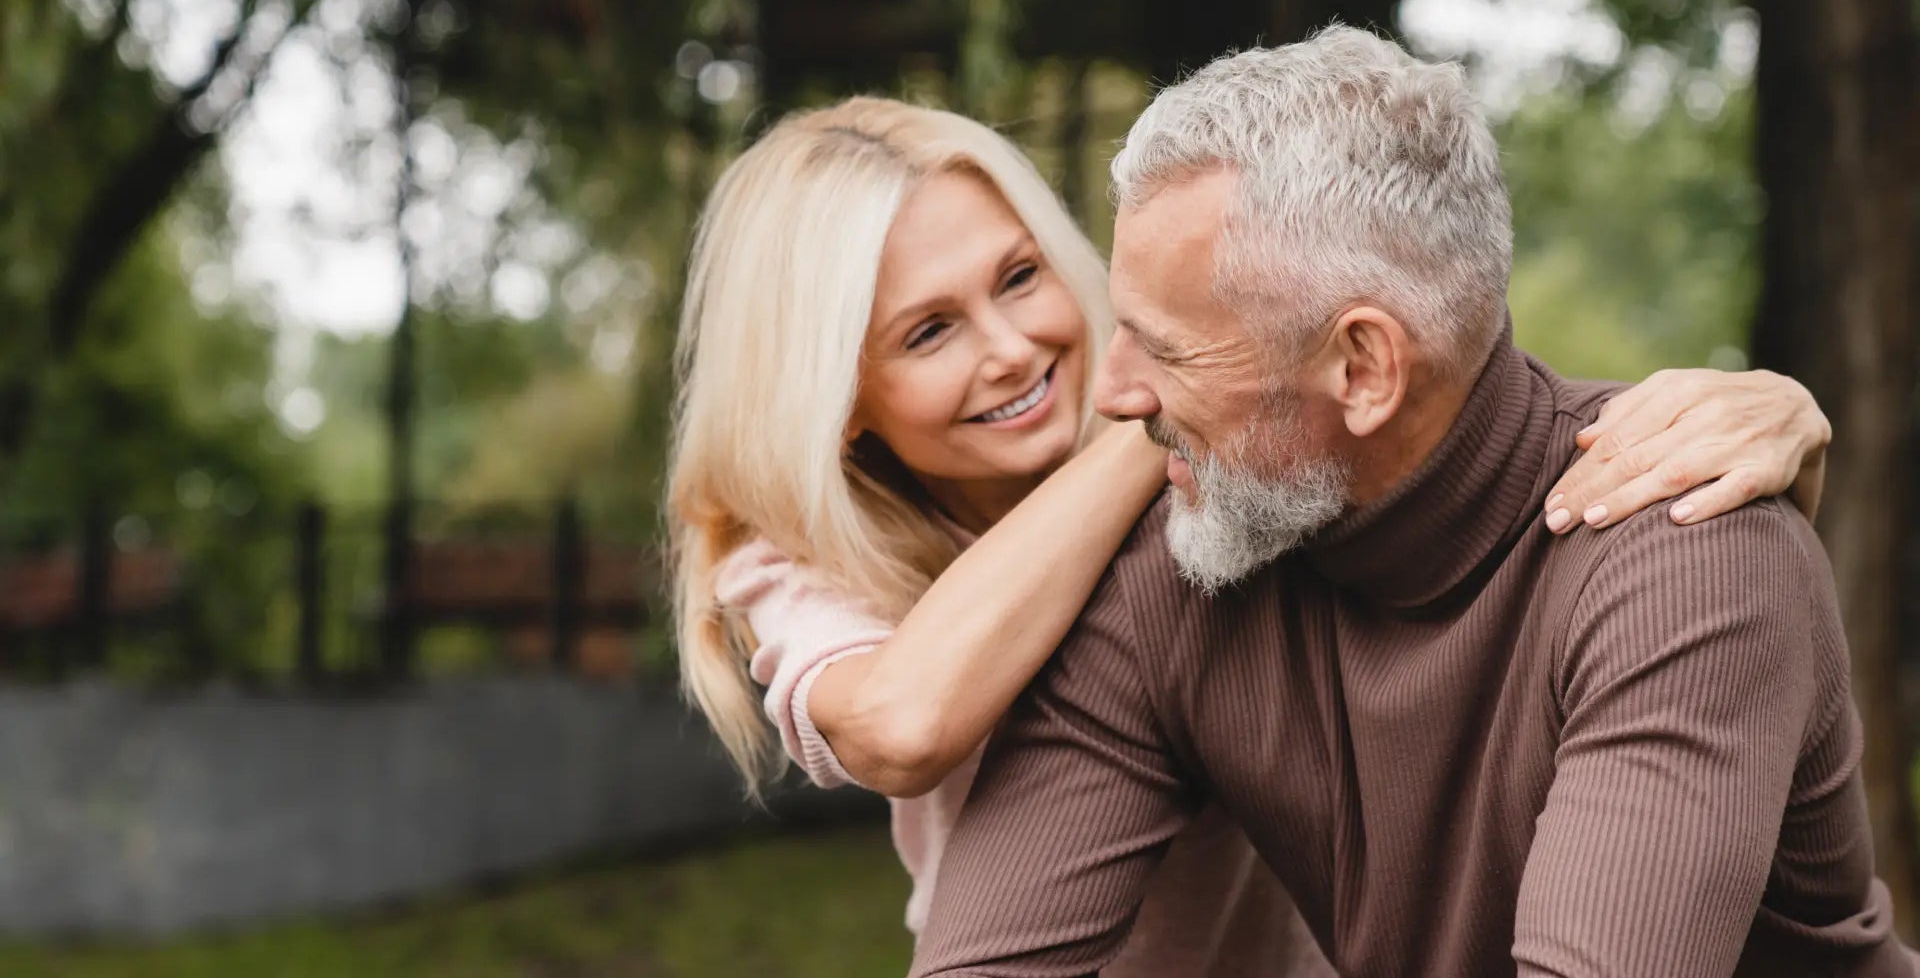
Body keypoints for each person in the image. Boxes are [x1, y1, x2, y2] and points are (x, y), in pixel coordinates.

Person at [666, 96, 1835, 974]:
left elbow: (1445, 449)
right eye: (927, 333)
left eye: (1020, 276)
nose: (1013, 349)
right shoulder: (795, 562)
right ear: (838, 395)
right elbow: (898, 722)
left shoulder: (1227, 506)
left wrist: (1775, 419)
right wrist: (1180, 415)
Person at [908, 27, 1913, 977]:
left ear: (1363, 367)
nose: (1114, 394)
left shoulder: (1684, 554)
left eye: (1165, 349)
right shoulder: (1176, 577)